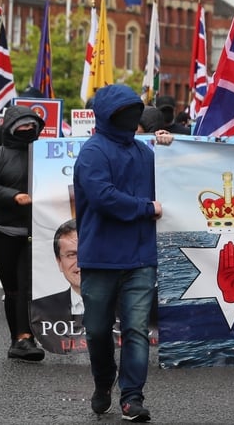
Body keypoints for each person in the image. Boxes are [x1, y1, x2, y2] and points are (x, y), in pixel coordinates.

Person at [74, 84, 161, 422]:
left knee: (136, 329)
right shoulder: (93, 152)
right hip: (100, 257)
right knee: (97, 330)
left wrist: (171, 150)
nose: (131, 117)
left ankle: (132, 397)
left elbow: (175, 182)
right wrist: (146, 207)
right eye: (124, 112)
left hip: (141, 256)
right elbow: (103, 197)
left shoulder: (147, 154)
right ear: (107, 115)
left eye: (135, 111)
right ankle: (102, 381)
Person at [0, 105, 46, 361]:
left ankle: (26, 338)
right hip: (2, 231)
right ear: (10, 128)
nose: (28, 130)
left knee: (27, 285)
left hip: (36, 231)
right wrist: (14, 196)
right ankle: (16, 339)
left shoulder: (46, 155)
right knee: (12, 288)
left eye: (32, 126)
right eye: (22, 126)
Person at [29, 219, 84, 353]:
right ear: (59, 262)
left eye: (86, 252)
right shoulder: (42, 308)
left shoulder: (126, 304)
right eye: (71, 255)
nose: (80, 262)